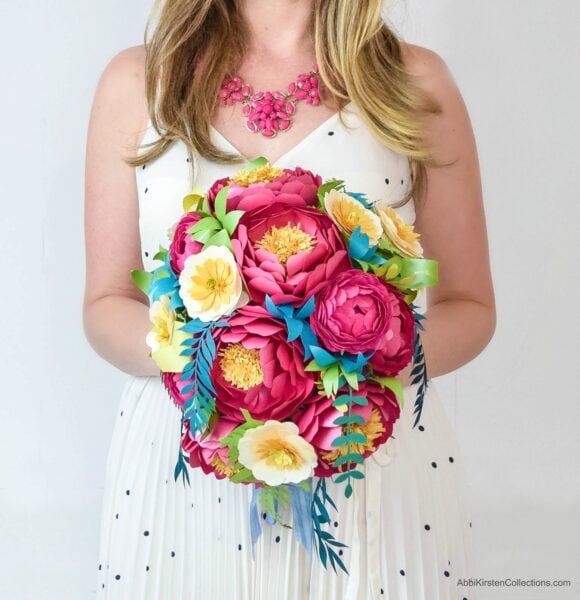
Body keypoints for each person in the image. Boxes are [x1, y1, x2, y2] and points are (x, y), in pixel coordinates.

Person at [83, 1, 496, 598]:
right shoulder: (139, 81)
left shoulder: (414, 82)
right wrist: (216, 373)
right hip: (185, 471)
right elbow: (105, 302)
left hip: (367, 460)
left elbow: (470, 305)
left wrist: (347, 373)